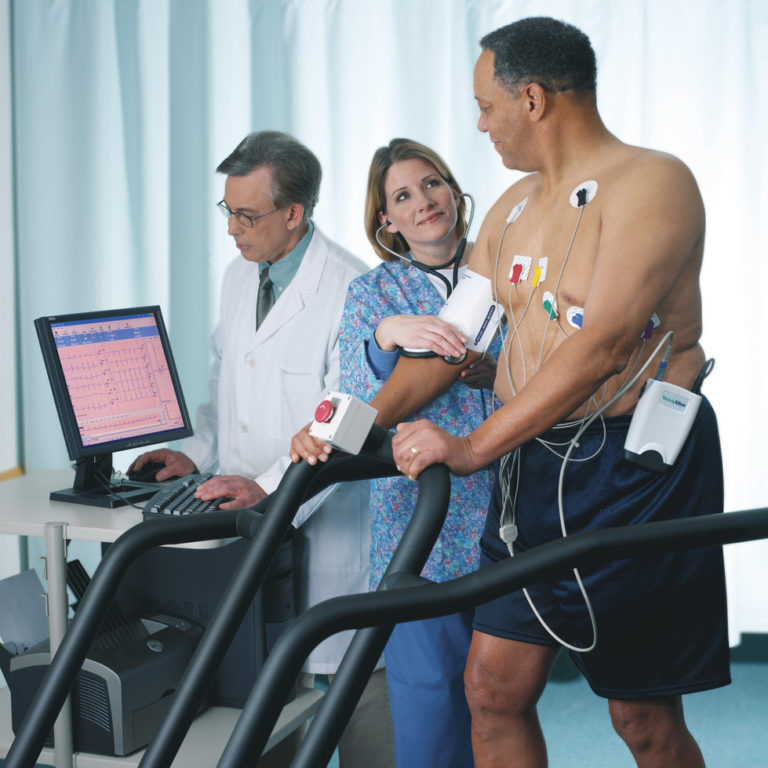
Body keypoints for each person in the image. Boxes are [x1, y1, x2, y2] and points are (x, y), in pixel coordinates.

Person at [322, 18, 728, 768]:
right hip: (534, 467)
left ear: (533, 99)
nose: (481, 125)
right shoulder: (511, 210)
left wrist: (472, 445)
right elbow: (454, 338)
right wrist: (347, 430)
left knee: (640, 717)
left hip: (630, 469)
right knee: (492, 690)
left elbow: (601, 344)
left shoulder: (652, 183)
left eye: (487, 105)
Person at [130, 130, 394, 766]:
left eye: (245, 216)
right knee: (261, 724)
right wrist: (196, 452)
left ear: (294, 214)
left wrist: (271, 484)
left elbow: (346, 418)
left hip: (329, 542)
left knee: (360, 730)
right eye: (229, 212)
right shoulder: (238, 277)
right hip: (251, 545)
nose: (232, 231)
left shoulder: (352, 291)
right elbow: (226, 389)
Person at [292, 138, 498, 767]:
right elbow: (354, 399)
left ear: (454, 190)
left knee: (498, 699)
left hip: (505, 514)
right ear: (386, 220)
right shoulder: (373, 294)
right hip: (419, 528)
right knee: (429, 700)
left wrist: (493, 371)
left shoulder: (506, 269)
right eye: (402, 196)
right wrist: (388, 332)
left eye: (432, 184)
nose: (423, 202)